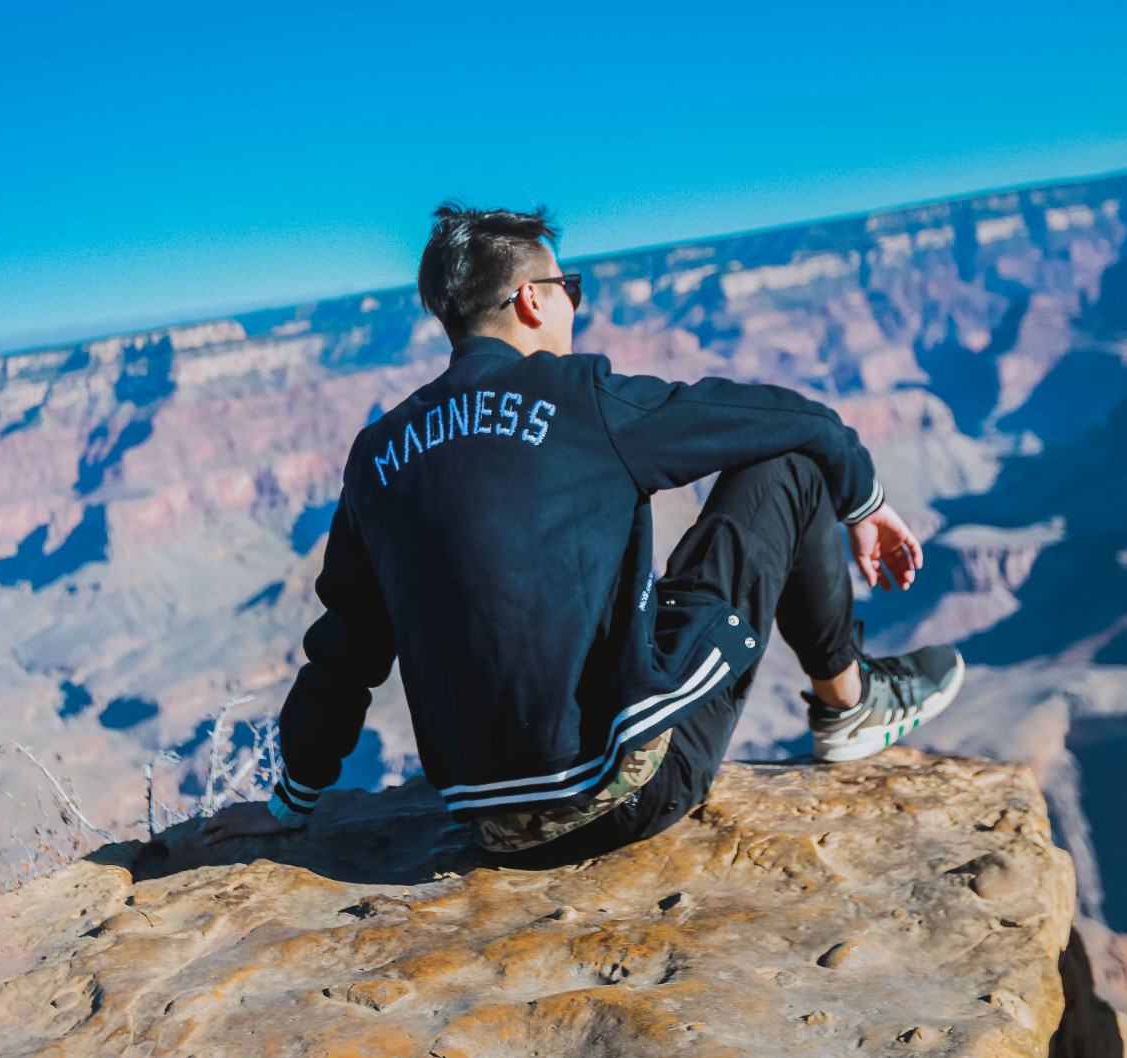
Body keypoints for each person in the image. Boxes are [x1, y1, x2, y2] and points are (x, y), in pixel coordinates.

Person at [205, 203, 962, 864]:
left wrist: (290, 805)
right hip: (622, 796)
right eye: (571, 290)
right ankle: (849, 705)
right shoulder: (580, 399)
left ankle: (844, 699)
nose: (575, 306)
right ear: (531, 301)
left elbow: (345, 648)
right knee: (790, 470)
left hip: (486, 824)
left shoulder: (378, 454)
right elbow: (793, 420)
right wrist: (862, 503)